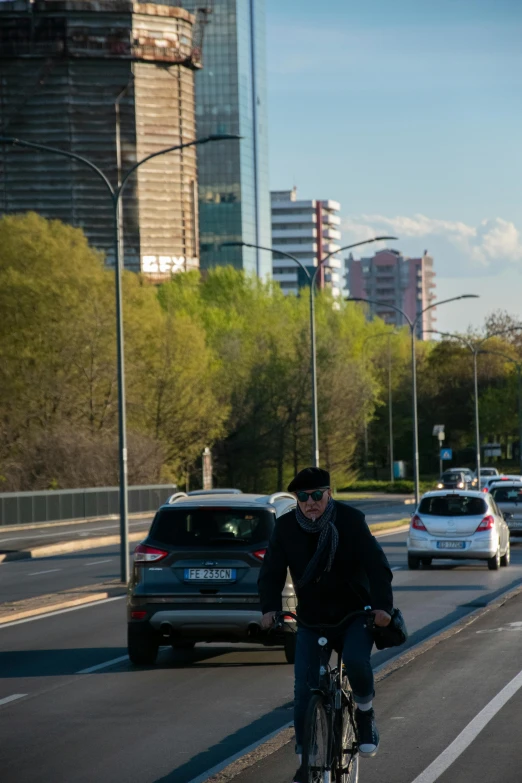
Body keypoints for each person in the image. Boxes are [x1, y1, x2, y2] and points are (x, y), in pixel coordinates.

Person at [258, 466, 394, 783]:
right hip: (311, 619)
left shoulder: (350, 521)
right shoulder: (286, 528)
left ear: (328, 494)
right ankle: (306, 760)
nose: (310, 502)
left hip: (354, 614)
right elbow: (271, 573)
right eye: (303, 497)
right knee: (304, 689)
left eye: (317, 495)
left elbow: (377, 565)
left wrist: (382, 607)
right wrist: (269, 609)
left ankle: (364, 714)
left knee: (358, 663)